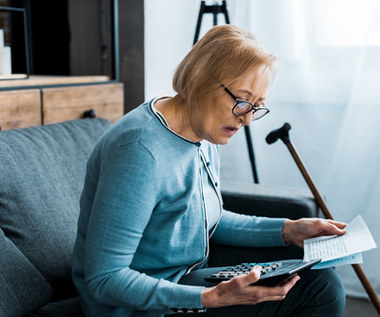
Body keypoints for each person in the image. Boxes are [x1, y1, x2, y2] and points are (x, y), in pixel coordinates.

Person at [72, 24, 346, 317]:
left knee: (306, 267)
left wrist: (288, 230)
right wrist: (209, 298)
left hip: (188, 272)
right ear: (201, 79)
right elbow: (105, 279)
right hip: (137, 304)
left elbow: (207, 221)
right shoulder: (139, 151)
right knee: (319, 290)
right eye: (242, 101)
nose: (248, 120)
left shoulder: (204, 132)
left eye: (257, 106)